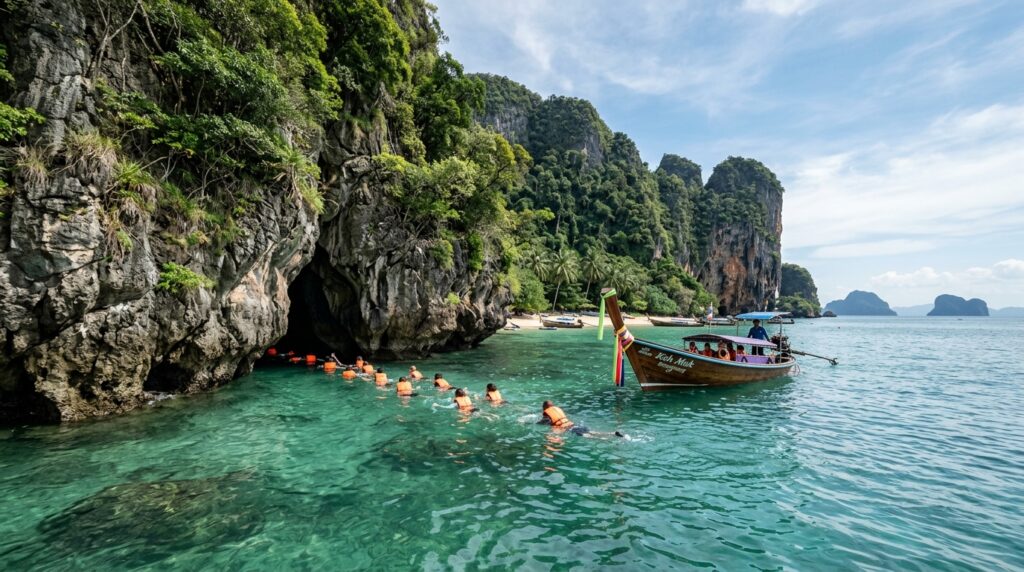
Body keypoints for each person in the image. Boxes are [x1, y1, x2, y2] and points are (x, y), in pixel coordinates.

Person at [538, 401, 623, 438]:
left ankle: (608, 440)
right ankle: (612, 433)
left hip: (569, 429)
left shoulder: (547, 415)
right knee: (592, 432)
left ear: (544, 408)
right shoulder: (557, 410)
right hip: (574, 425)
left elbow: (541, 423)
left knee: (589, 436)